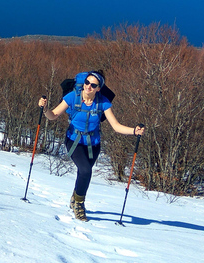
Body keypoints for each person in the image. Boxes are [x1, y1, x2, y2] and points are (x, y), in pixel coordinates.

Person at [38, 70, 144, 222]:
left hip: (93, 144)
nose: (88, 86)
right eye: (87, 83)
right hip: (73, 140)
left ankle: (75, 198)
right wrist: (45, 109)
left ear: (98, 88)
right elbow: (53, 115)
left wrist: (134, 131)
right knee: (86, 170)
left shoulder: (103, 102)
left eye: (93, 85)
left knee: (84, 173)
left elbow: (116, 126)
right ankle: (79, 205)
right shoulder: (72, 97)